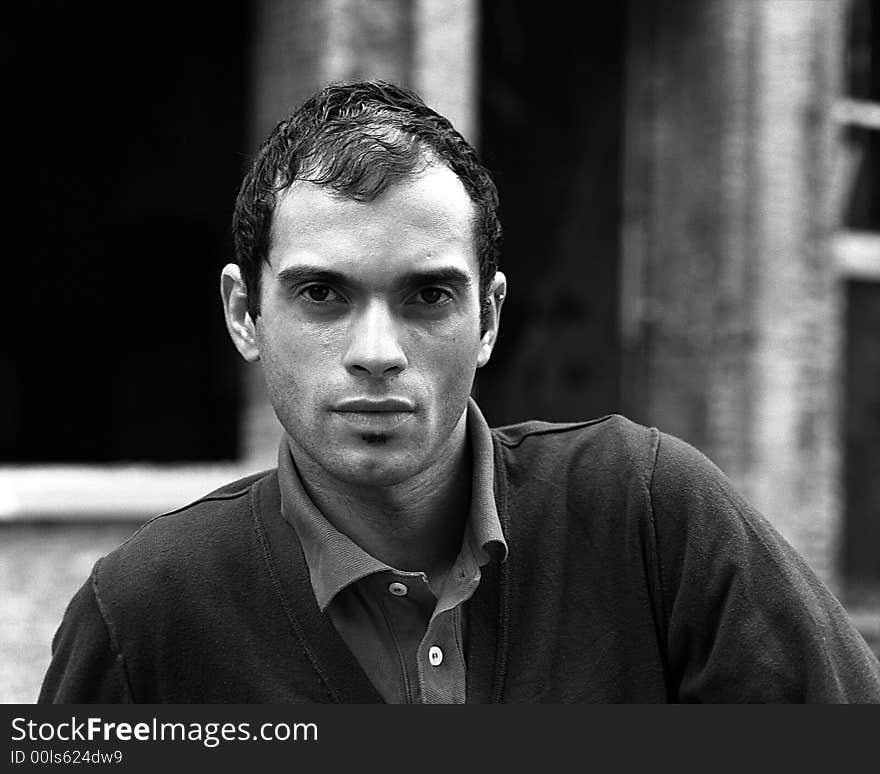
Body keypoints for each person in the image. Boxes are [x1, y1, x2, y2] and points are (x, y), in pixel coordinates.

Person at [40, 81, 880, 703]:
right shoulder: (143, 615)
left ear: (488, 316)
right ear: (244, 313)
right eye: (323, 294)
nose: (377, 353)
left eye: (428, 296)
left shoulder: (650, 517)